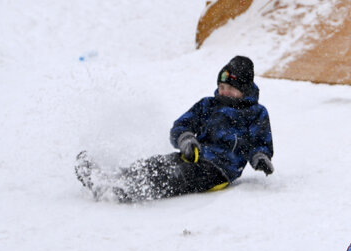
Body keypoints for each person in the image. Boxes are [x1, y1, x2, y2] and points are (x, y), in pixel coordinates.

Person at [75, 56, 274, 202]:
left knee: (177, 175)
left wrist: (260, 158)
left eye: (230, 88)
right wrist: (186, 139)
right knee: (158, 163)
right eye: (221, 86)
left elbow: (261, 143)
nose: (224, 91)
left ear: (245, 90)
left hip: (219, 170)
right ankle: (111, 176)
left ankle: (128, 191)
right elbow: (181, 125)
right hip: (194, 155)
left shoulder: (256, 113)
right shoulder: (208, 105)